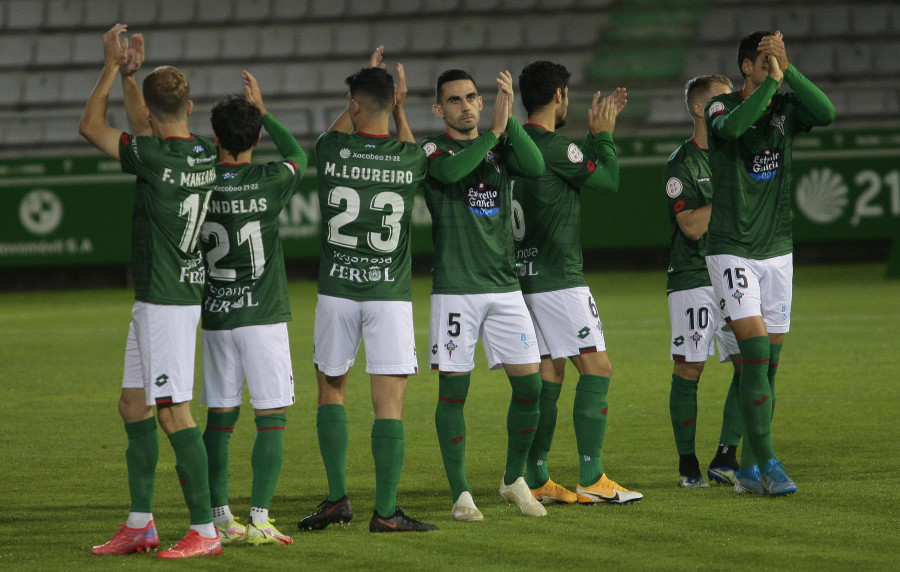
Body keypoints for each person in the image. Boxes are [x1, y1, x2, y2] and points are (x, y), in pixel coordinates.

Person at [81, 24, 221, 558]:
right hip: (164, 298)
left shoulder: (150, 158)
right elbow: (151, 125)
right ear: (189, 106)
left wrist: (115, 69)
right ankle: (141, 523)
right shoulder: (202, 153)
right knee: (133, 405)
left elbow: (89, 125)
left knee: (172, 412)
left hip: (167, 300)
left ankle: (205, 531)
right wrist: (138, 81)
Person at [297, 48, 438, 533]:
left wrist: (367, 92)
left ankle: (337, 499)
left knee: (331, 391)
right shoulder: (410, 157)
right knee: (389, 404)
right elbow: (407, 146)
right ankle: (386, 512)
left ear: (354, 104)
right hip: (388, 295)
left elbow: (340, 128)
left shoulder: (330, 149)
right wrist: (398, 107)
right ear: (393, 101)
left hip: (336, 291)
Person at [705, 31, 835, 495]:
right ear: (746, 66)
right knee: (755, 354)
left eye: (778, 62)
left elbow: (826, 112)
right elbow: (735, 129)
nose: (774, 71)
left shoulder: (785, 108)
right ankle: (767, 463)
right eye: (766, 62)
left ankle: (745, 471)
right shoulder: (720, 106)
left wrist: (790, 72)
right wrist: (769, 86)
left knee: (767, 365)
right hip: (732, 247)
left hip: (777, 249)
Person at [512, 61, 642, 505]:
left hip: (521, 279)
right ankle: (592, 475)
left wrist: (587, 141)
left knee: (549, 371)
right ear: (560, 95)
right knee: (597, 367)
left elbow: (561, 174)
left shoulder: (511, 145)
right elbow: (606, 181)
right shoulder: (552, 145)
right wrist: (603, 135)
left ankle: (538, 477)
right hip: (558, 279)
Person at [422, 68, 547, 521]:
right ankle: (460, 493)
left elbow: (535, 167)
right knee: (455, 391)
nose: (466, 105)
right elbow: (453, 171)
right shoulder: (433, 149)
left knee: (531, 385)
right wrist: (492, 134)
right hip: (456, 289)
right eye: (454, 100)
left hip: (504, 286)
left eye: (473, 97)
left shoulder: (498, 145)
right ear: (439, 110)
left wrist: (508, 119)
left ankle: (514, 479)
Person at [199, 71, 306, 546]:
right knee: (272, 417)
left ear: (215, 137)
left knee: (219, 421)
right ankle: (260, 517)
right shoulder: (269, 180)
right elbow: (298, 156)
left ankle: (220, 514)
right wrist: (264, 111)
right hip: (262, 315)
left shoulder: (199, 182)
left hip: (217, 315)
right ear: (257, 136)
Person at [663, 74, 744, 489]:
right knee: (690, 368)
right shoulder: (683, 163)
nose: (729, 106)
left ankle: (727, 456)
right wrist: (730, 192)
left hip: (736, 273)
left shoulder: (740, 151)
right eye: (721, 100)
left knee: (752, 364)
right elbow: (691, 226)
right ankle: (687, 463)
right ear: (699, 108)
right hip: (695, 276)